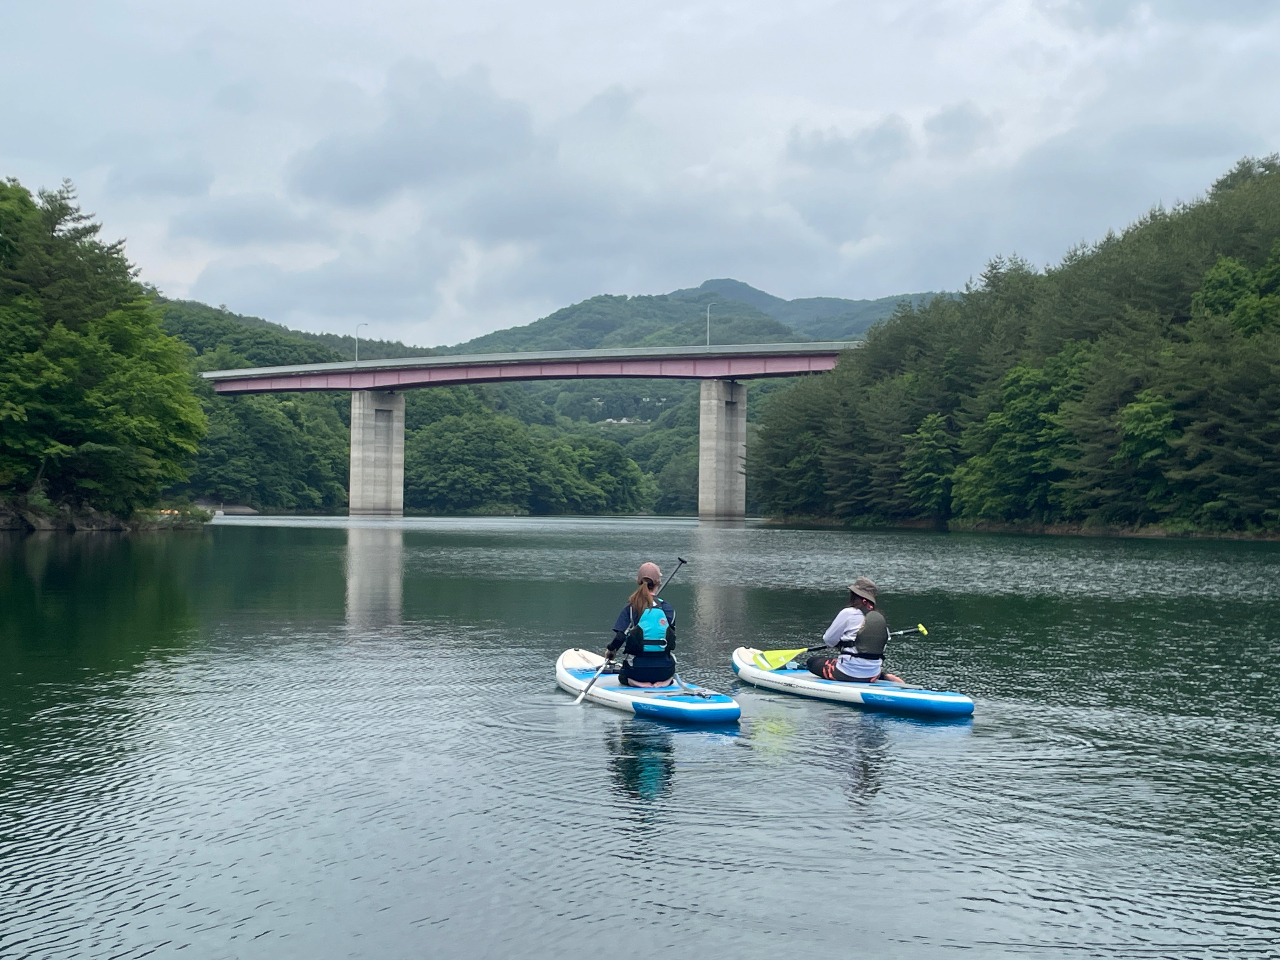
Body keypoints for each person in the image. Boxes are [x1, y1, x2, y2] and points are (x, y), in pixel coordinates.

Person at [807, 576, 904, 683]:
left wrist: (841, 644)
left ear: (854, 596)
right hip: (872, 674)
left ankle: (872, 675)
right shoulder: (879, 618)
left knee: (812, 662)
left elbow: (829, 640)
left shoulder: (848, 613)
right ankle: (883, 676)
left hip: (846, 672)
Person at [605, 562, 677, 687]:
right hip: (665, 673)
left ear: (638, 582)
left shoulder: (632, 607)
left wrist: (611, 651)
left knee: (623, 675)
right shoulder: (668, 609)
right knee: (666, 669)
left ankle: (639, 683)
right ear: (658, 583)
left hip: (638, 673)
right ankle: (661, 683)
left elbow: (620, 637)